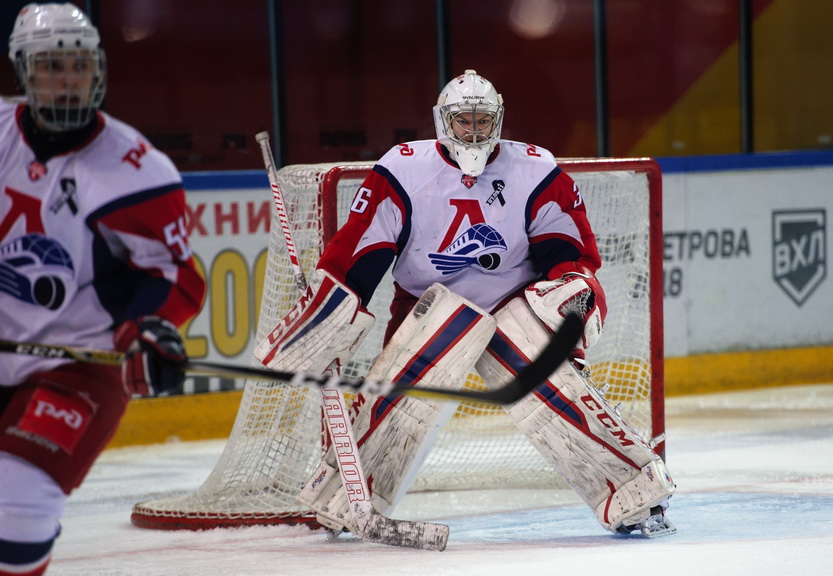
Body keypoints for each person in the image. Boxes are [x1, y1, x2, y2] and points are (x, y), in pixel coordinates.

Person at [257, 69, 676, 540]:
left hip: (512, 303)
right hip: (428, 303)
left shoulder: (536, 169)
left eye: (482, 120)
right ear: (443, 121)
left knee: (551, 389)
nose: (474, 131)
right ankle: (345, 496)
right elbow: (359, 253)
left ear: (498, 119)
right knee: (403, 401)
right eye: (464, 121)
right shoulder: (402, 169)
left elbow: (569, 253)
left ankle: (634, 491)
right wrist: (327, 315)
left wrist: (573, 294)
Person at [0, 4, 205, 574]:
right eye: (52, 66)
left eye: (80, 65)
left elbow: (175, 276)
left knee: (17, 506)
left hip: (78, 361)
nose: (69, 79)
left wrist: (149, 329)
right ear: (22, 71)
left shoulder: (137, 169)